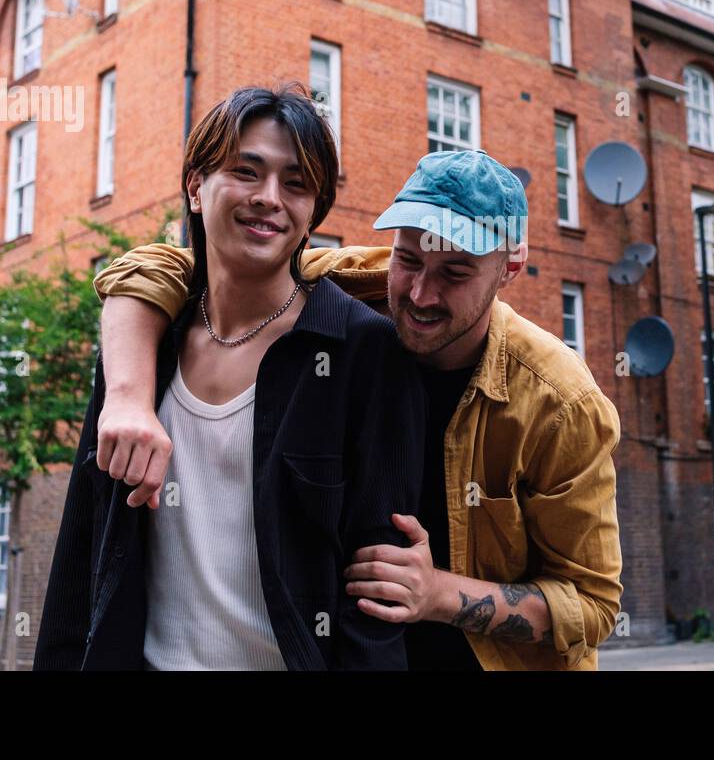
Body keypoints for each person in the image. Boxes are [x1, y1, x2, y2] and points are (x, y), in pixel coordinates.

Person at [91, 150, 623, 670]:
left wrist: (439, 593)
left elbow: (594, 606)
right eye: (409, 259)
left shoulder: (561, 404)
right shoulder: (345, 285)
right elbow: (159, 267)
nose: (419, 294)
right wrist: (127, 398)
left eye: (455, 274)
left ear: (511, 268)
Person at [34, 85, 425, 670]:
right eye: (247, 171)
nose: (270, 198)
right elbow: (84, 545)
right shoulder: (143, 347)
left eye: (296, 184)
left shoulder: (361, 351)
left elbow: (375, 598)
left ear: (313, 211)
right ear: (196, 184)